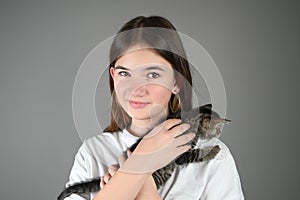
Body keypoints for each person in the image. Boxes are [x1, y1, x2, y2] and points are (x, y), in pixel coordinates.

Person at [64, 16, 244, 200]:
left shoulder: (213, 157)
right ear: (113, 76)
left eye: (152, 74)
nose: (136, 89)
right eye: (124, 73)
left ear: (177, 82)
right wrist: (139, 160)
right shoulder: (93, 151)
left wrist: (143, 183)